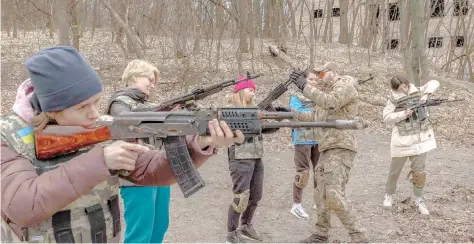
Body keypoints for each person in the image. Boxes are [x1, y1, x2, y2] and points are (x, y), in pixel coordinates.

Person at [1, 46, 245, 243]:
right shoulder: (8, 137)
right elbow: (22, 205)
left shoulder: (98, 126)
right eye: (82, 107)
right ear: (52, 110)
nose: (95, 114)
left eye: (96, 102)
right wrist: (101, 161)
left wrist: (201, 143)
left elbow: (149, 169)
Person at [290, 62, 367, 243]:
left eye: (323, 74)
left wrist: (304, 86)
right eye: (318, 75)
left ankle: (359, 236)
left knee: (333, 193)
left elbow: (330, 103)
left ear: (334, 72)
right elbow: (312, 117)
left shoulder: (344, 86)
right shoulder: (327, 94)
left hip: (340, 146)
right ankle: (320, 232)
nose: (320, 78)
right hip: (326, 148)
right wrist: (287, 113)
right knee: (321, 193)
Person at [105, 59, 171, 243]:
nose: (152, 84)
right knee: (140, 234)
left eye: (154, 81)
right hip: (136, 174)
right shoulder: (119, 102)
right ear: (133, 76)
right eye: (149, 78)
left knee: (160, 225)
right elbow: (124, 120)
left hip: (158, 170)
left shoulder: (149, 105)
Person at [225, 76, 279, 243]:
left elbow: (271, 129)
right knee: (241, 196)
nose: (253, 93)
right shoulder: (230, 111)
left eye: (254, 90)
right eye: (250, 89)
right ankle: (232, 232)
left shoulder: (255, 109)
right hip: (241, 157)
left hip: (256, 157)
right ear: (240, 91)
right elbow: (235, 135)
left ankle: (246, 225)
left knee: (256, 195)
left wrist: (272, 113)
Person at [381, 74, 439, 215]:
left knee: (419, 173)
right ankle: (389, 194)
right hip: (402, 141)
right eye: (401, 89)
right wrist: (403, 114)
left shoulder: (418, 90)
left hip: (421, 140)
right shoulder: (393, 99)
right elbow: (386, 117)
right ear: (396, 89)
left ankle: (419, 199)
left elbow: (434, 82)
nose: (404, 90)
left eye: (405, 86)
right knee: (395, 172)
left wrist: (425, 95)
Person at [289, 71, 320, 220]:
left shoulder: (319, 95)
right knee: (303, 173)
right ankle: (297, 205)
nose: (314, 82)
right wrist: (314, 111)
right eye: (311, 79)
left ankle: (318, 201)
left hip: (318, 139)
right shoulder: (295, 97)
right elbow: (296, 114)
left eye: (316, 79)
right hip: (302, 139)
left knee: (320, 172)